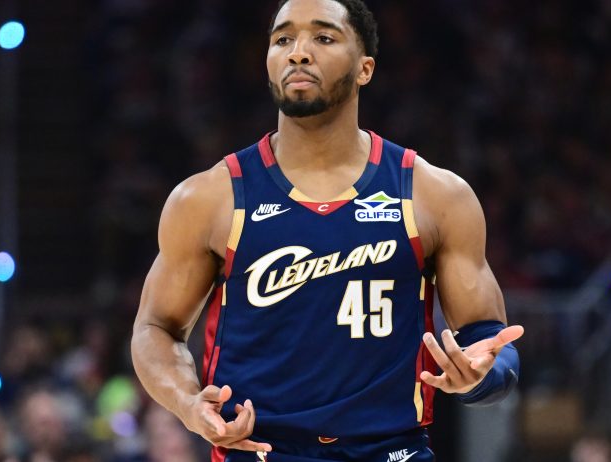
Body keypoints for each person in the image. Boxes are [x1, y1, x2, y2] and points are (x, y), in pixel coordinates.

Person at [131, 0, 524, 460]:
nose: (298, 52)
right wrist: (187, 403)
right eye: (283, 39)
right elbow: (155, 327)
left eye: (323, 37)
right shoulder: (207, 198)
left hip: (390, 450)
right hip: (259, 450)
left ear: (365, 69)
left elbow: (491, 338)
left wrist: (482, 376)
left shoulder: (435, 195)